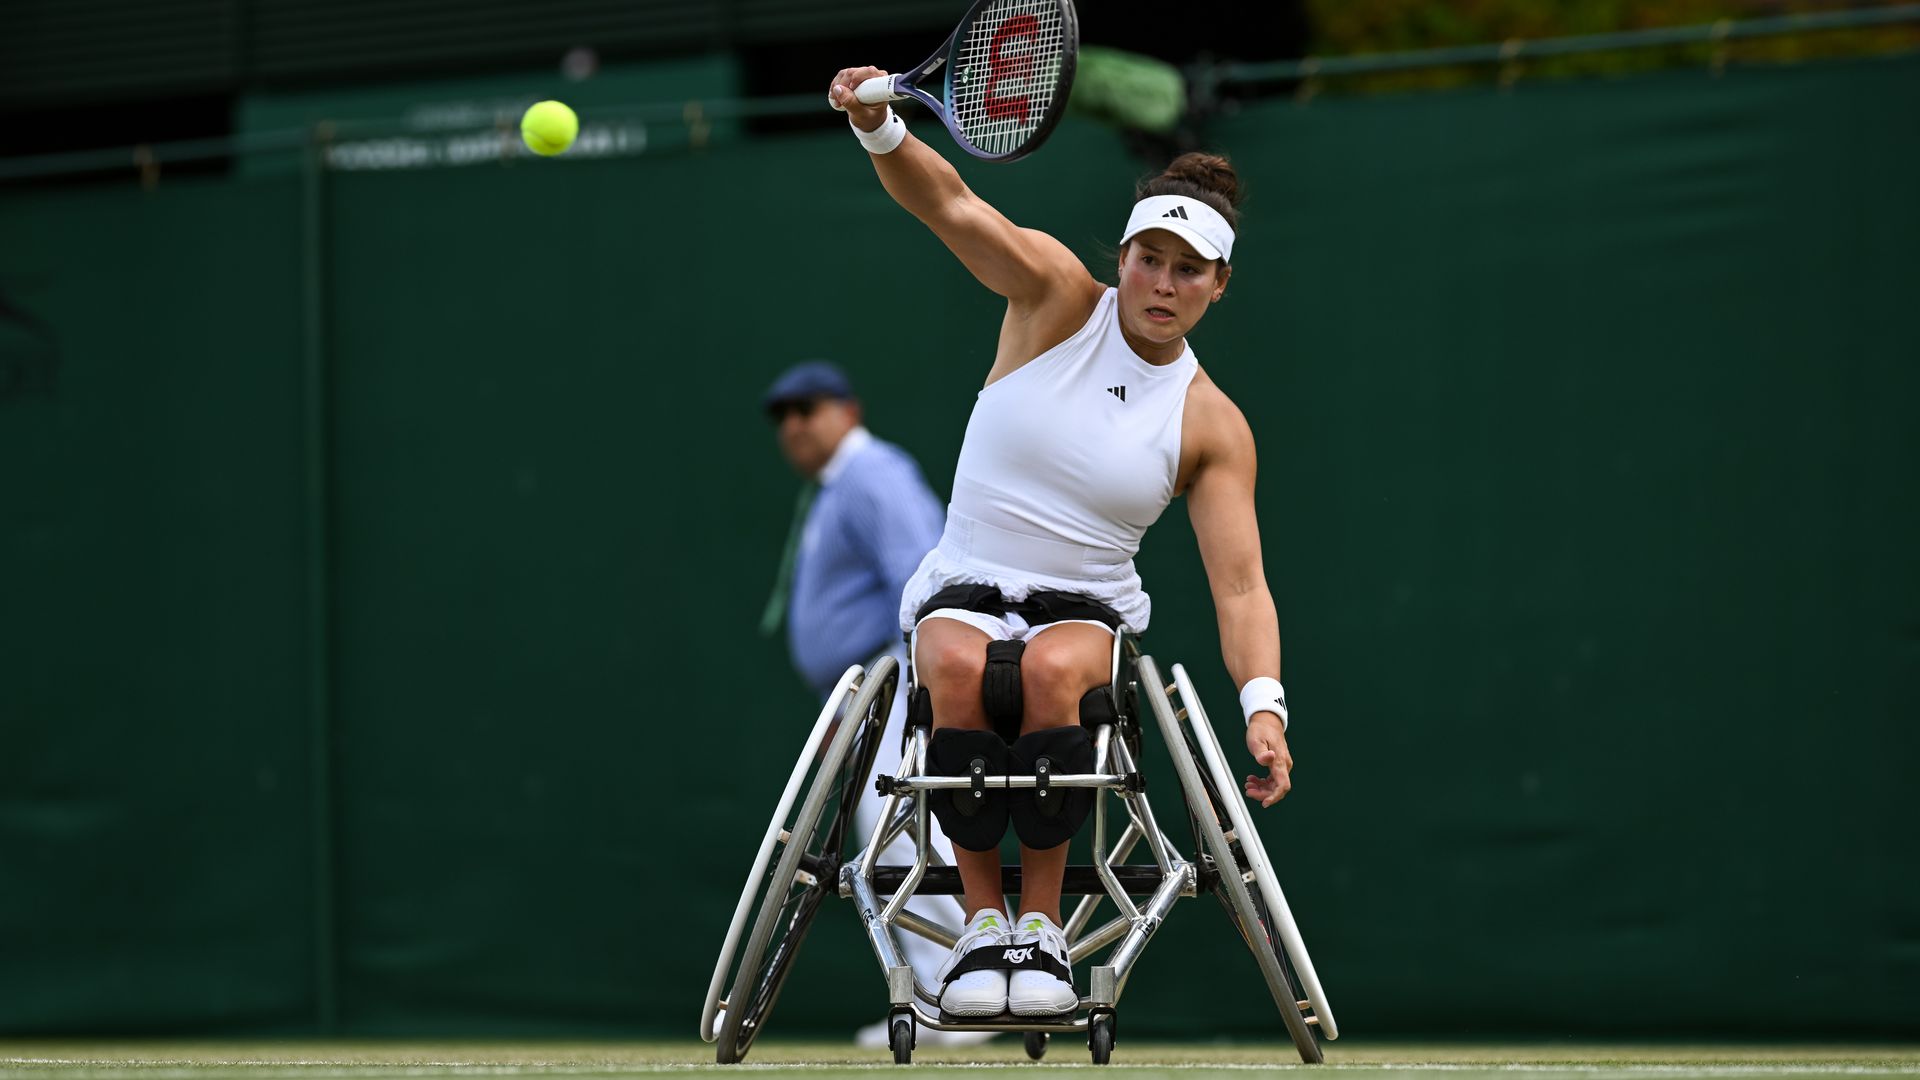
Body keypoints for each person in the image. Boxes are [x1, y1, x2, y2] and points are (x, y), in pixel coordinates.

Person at [826, 68, 1296, 1022]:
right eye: (1149, 258)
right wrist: (878, 128)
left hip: (1084, 607)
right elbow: (951, 205)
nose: (1163, 284)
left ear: (1219, 285)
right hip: (964, 580)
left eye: (1188, 269)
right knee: (957, 666)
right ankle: (982, 926)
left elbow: (1241, 588)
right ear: (1120, 257)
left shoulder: (1212, 424)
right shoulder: (1052, 298)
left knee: (1049, 675)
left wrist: (1264, 707)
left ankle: (1040, 932)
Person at [758, 360, 993, 1048]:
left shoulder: (871, 475)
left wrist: (908, 687)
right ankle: (947, 992)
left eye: (809, 408)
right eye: (784, 415)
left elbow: (924, 581)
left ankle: (964, 987)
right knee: (893, 833)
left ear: (848, 411)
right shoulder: (841, 486)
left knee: (902, 831)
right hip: (872, 689)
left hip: (896, 681)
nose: (795, 426)